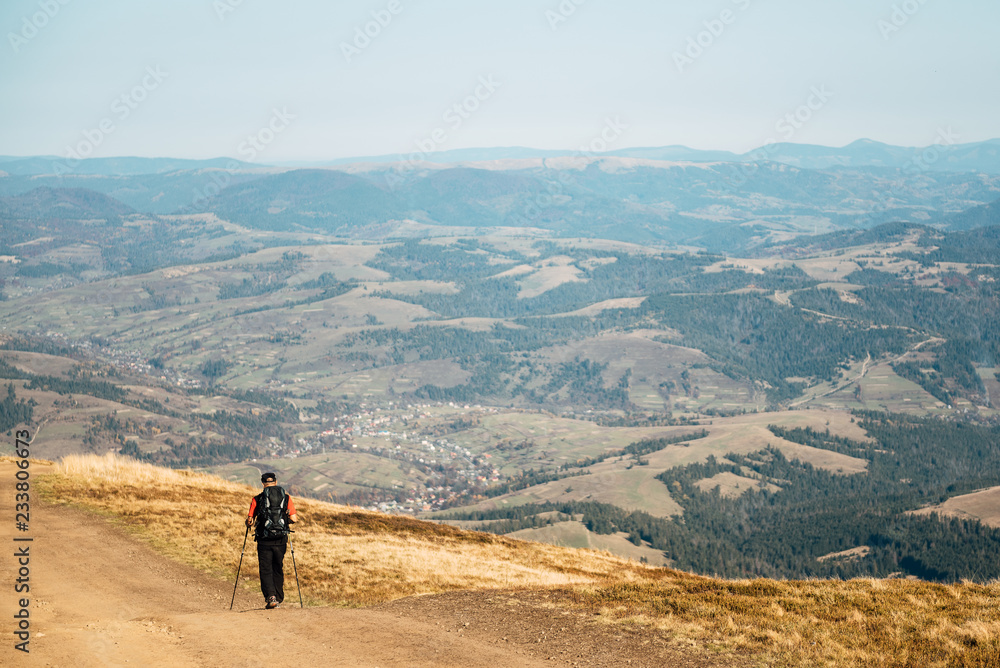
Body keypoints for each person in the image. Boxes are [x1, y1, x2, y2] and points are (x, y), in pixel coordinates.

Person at [246, 472, 298, 609]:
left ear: (263, 483)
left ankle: (271, 597)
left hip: (264, 539)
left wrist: (249, 522)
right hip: (280, 539)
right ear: (275, 481)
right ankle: (279, 597)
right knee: (277, 567)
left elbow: (250, 520)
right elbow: (294, 519)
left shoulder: (257, 499)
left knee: (265, 568)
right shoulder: (286, 497)